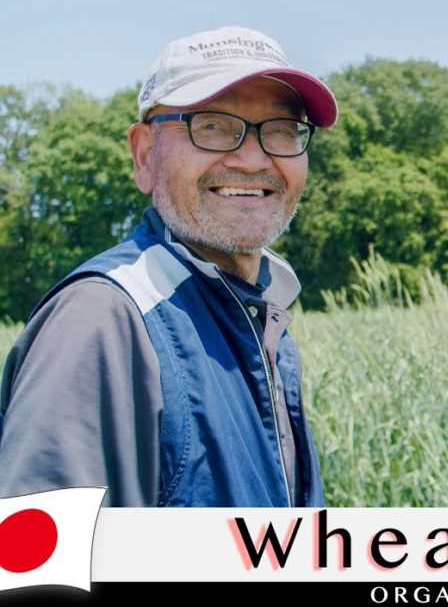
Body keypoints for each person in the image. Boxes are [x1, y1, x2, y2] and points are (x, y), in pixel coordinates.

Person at [0, 27, 337, 507]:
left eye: (281, 130)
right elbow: (39, 566)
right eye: (213, 125)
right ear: (144, 155)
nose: (251, 158)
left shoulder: (263, 321)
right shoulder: (104, 321)